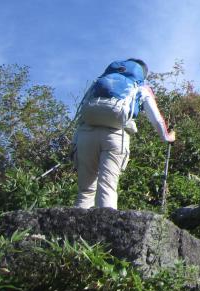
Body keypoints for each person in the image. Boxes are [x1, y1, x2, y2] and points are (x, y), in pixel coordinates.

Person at [74, 58, 175, 209]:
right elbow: (156, 119)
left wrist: (75, 142)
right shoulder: (141, 87)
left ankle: (75, 224)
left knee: (85, 191)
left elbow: (82, 111)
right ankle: (105, 223)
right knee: (107, 186)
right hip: (116, 135)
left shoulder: (99, 82)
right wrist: (167, 137)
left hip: (86, 134)